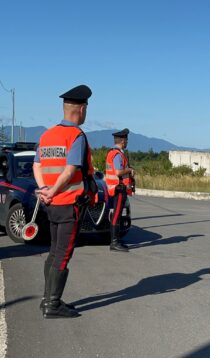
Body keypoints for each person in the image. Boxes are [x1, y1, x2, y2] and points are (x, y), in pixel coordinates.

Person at [33, 84, 96, 319]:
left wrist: (44, 190)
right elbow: (70, 171)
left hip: (52, 205)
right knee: (63, 253)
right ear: (81, 109)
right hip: (69, 203)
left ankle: (47, 298)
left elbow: (36, 165)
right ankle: (53, 303)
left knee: (53, 252)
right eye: (86, 108)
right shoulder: (76, 136)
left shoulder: (47, 135)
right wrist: (54, 191)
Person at [105, 128, 135, 252]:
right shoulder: (117, 155)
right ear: (123, 141)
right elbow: (118, 172)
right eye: (126, 140)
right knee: (116, 215)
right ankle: (114, 242)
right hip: (119, 188)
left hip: (118, 188)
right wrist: (129, 170)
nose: (127, 142)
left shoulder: (114, 153)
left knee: (117, 215)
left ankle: (116, 239)